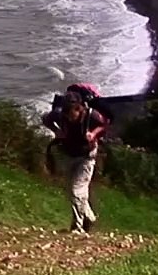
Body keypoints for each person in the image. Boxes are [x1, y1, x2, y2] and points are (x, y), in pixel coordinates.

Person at [42, 91, 109, 233]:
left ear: (79, 109)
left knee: (76, 191)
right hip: (68, 154)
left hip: (87, 156)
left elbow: (104, 124)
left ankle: (77, 226)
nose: (68, 117)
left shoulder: (91, 115)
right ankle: (90, 217)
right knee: (73, 191)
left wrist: (93, 134)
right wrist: (56, 130)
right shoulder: (60, 114)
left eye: (71, 114)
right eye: (66, 114)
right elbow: (46, 119)